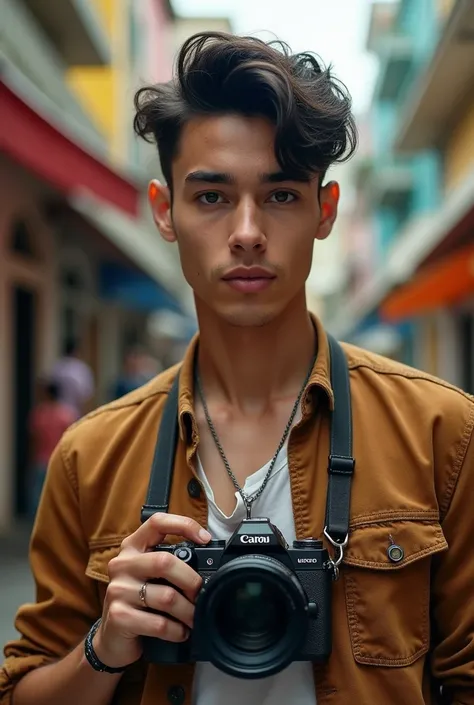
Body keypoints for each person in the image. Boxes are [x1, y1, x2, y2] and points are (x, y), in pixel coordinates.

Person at [1, 31, 473, 705]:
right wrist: (105, 645)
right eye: (212, 197)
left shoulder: (442, 433)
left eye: (280, 195)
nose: (247, 231)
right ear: (165, 212)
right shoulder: (92, 456)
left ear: (325, 211)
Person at [27, 379, 77, 518]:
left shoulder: (39, 414)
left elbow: (34, 439)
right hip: (58, 461)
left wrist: (32, 457)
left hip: (41, 459)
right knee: (58, 496)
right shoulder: (66, 414)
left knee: (37, 497)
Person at [51, 338, 95, 417]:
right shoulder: (81, 368)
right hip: (75, 413)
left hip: (58, 413)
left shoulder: (57, 367)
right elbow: (86, 395)